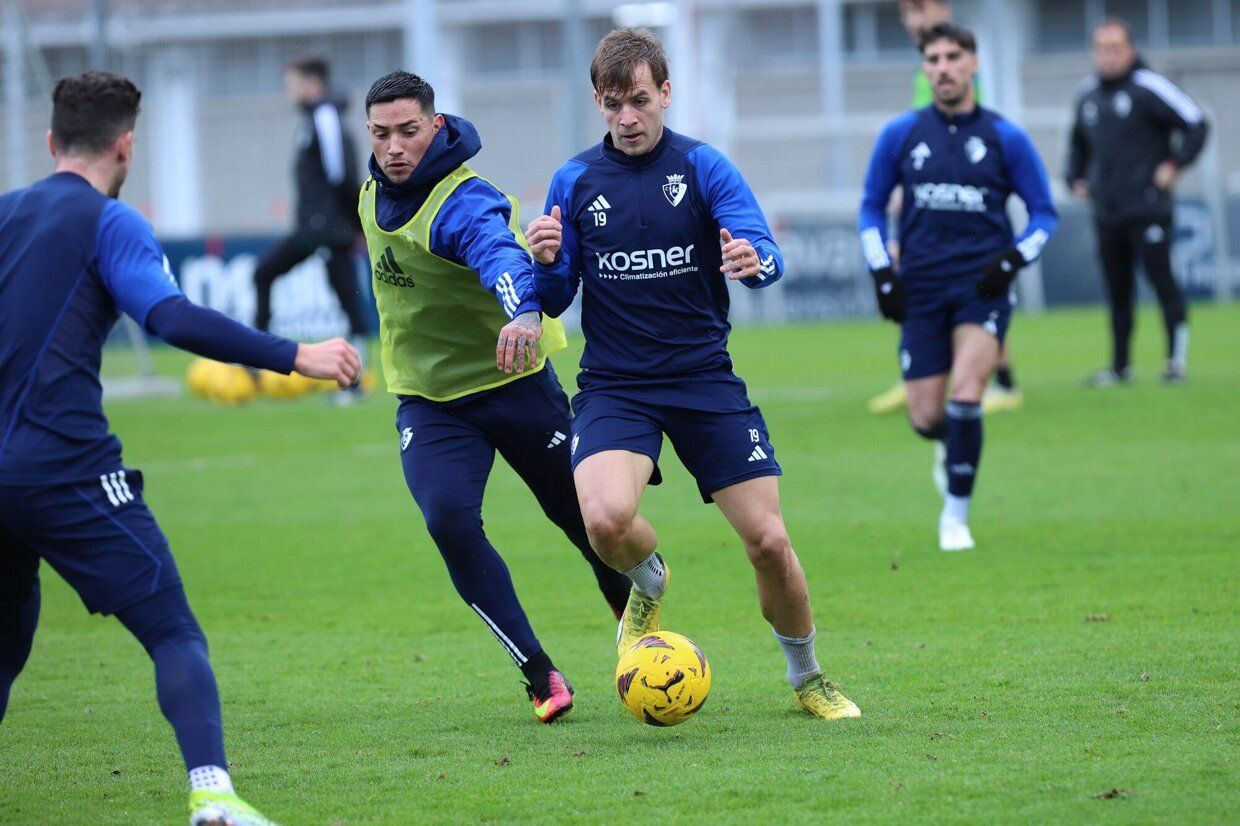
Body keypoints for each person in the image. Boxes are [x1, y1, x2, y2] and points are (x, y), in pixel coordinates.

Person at [0, 71, 360, 826]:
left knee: (8, 632)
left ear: (50, 141)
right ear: (127, 144)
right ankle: (213, 797)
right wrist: (298, 356)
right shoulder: (110, 221)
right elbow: (172, 318)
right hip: (64, 467)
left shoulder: (5, 214)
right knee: (171, 629)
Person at [526, 28, 860, 721]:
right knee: (604, 518)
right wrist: (547, 262)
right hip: (616, 384)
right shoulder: (575, 180)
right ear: (599, 100)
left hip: (704, 379)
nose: (628, 116)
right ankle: (649, 582)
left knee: (769, 542)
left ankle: (809, 678)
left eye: (641, 100)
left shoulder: (705, 168)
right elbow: (555, 297)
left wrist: (752, 259)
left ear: (666, 93)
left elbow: (764, 251)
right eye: (614, 103)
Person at [358, 71, 632, 723]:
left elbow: (503, 259)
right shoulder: (370, 193)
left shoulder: (464, 202)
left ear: (437, 126)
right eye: (380, 134)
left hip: (514, 386)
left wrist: (525, 313)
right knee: (448, 520)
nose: (394, 147)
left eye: (408, 131)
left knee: (585, 522)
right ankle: (540, 674)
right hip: (430, 401)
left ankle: (638, 627)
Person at [858, 23, 1057, 551]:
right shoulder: (900, 135)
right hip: (920, 287)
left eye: (952, 57)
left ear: (973, 65)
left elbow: (1044, 215)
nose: (942, 67)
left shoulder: (1004, 137)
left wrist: (1012, 260)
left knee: (968, 393)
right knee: (926, 417)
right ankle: (954, 446)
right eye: (933, 59)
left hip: (981, 287)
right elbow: (871, 209)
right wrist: (882, 271)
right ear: (925, 70)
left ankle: (955, 518)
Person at [870, 0, 1022, 416]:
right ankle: (920, 371)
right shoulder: (928, 66)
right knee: (919, 278)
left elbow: (968, 128)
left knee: (980, 287)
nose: (911, 19)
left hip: (961, 201)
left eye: (919, 9)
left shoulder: (956, 63)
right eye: (906, 12)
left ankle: (1001, 380)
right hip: (925, 191)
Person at [1068, 18, 1209, 386]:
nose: (1108, 57)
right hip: (1107, 210)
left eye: (1115, 48)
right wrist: (1075, 178)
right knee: (1117, 291)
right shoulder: (1087, 94)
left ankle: (1175, 362)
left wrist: (1175, 164)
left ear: (1129, 49)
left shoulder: (1149, 86)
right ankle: (1120, 367)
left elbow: (1197, 123)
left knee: (1161, 281)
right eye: (1101, 49)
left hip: (1147, 207)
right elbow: (1077, 145)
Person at [253, 56, 369, 400]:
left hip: (329, 231)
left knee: (348, 298)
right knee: (264, 273)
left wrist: (358, 225)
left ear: (313, 83)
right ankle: (258, 361)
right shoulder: (312, 120)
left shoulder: (325, 117)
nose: (289, 90)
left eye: (293, 82)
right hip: (313, 229)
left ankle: (354, 383)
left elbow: (341, 176)